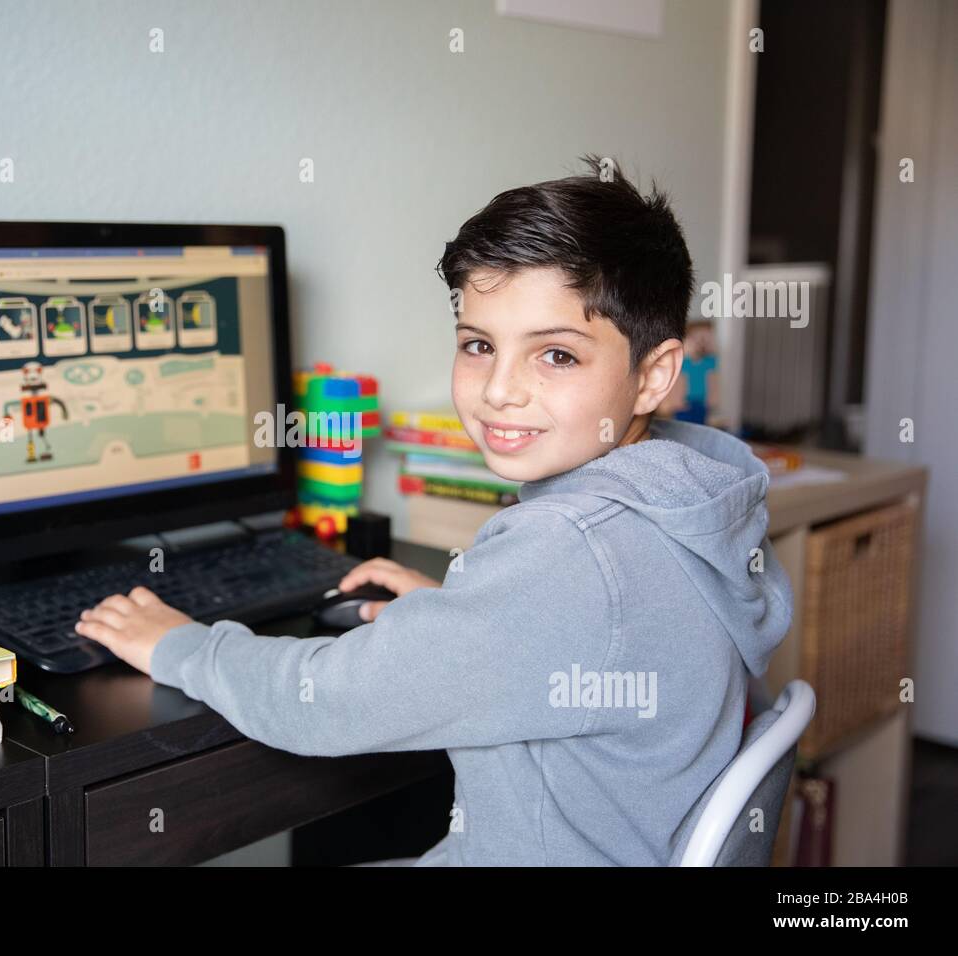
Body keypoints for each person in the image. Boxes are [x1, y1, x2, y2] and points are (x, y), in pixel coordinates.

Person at [73, 157, 794, 866]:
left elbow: (321, 703)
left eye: (557, 357)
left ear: (654, 375)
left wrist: (181, 645)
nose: (500, 390)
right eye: (479, 345)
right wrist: (466, 618)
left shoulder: (574, 550)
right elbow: (584, 628)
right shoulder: (691, 501)